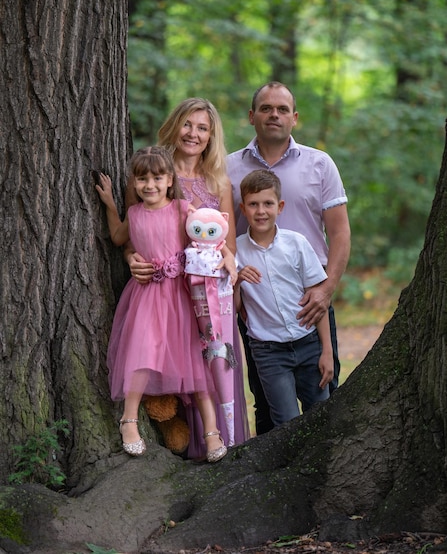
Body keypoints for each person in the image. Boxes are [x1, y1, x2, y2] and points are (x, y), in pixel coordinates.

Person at [123, 99, 250, 456]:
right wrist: (131, 258)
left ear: (211, 137)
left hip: (207, 291)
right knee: (173, 360)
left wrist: (227, 261)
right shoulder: (154, 172)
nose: (193, 134)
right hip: (164, 291)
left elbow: (227, 242)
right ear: (175, 125)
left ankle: (222, 440)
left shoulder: (218, 180)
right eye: (188, 124)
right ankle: (183, 448)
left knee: (212, 360)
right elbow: (135, 231)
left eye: (203, 128)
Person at [227, 81, 350, 434]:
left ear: (294, 118)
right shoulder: (228, 168)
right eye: (265, 108)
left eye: (282, 109)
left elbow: (340, 233)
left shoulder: (319, 164)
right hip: (258, 307)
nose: (274, 115)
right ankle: (273, 480)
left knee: (323, 393)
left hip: (311, 299)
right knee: (267, 402)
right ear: (252, 116)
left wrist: (326, 291)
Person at [96, 146, 227, 462]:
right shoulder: (136, 213)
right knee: (142, 353)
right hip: (148, 296)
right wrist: (111, 204)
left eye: (157, 177)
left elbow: (209, 234)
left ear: (170, 180)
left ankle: (212, 434)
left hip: (181, 296)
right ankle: (128, 420)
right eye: (142, 179)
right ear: (135, 182)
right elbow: (117, 237)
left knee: (195, 362)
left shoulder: (183, 209)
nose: (149, 185)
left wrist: (223, 255)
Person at [234, 170, 334, 425]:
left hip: (309, 343)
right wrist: (238, 280)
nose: (261, 211)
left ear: (280, 206)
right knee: (286, 422)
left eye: (268, 204)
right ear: (243, 208)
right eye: (253, 204)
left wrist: (327, 352)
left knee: (320, 416)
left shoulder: (297, 243)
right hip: (269, 352)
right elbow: (234, 309)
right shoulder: (236, 252)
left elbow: (318, 300)